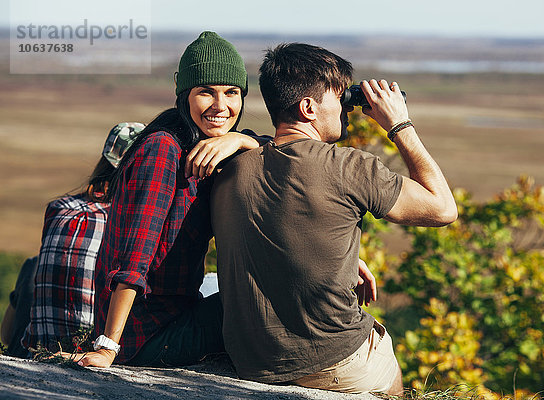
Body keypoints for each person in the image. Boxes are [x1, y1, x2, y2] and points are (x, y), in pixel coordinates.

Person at [210, 43, 458, 395]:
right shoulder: (349, 167)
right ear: (308, 107)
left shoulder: (231, 165)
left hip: (254, 361)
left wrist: (345, 258)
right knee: (381, 350)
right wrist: (400, 124)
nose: (348, 107)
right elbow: (444, 209)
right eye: (340, 96)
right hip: (334, 363)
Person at [74, 31, 273, 369]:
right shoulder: (163, 150)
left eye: (232, 93)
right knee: (272, 297)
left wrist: (242, 141)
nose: (221, 106)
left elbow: (287, 155)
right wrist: (108, 346)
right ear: (185, 96)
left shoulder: (208, 147)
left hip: (177, 318)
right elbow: (134, 256)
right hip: (148, 337)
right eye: (205, 93)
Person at [0, 122, 144, 357]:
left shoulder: (58, 207)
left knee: (33, 264)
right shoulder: (126, 219)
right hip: (90, 351)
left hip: (30, 350)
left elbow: (5, 336)